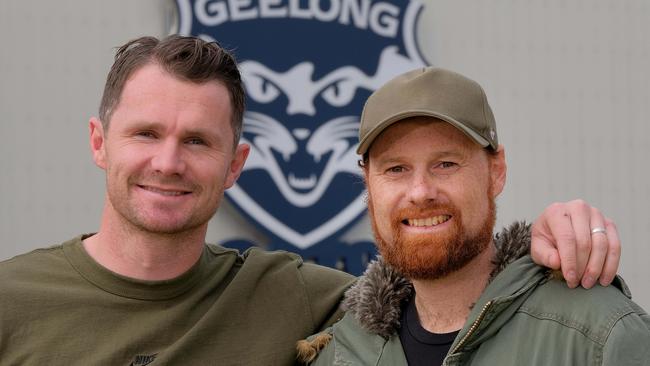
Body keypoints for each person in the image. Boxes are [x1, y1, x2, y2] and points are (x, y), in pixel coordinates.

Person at [0, 36, 623, 365]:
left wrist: (547, 235)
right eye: (146, 134)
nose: (168, 161)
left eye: (197, 140)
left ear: (235, 165)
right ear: (98, 142)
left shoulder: (290, 296)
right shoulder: (12, 302)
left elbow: (441, 275)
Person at [297, 67, 650, 365]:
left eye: (446, 164)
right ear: (368, 186)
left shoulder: (599, 335)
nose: (420, 192)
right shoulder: (340, 354)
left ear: (496, 172)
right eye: (396, 168)